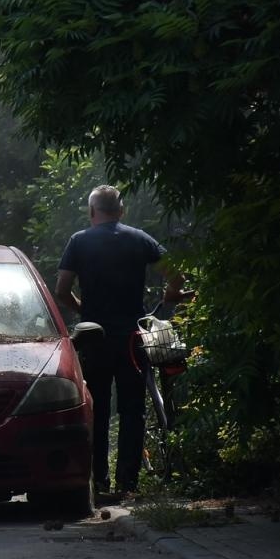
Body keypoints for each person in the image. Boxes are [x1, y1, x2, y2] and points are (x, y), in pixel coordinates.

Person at [56, 185, 186, 500]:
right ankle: (128, 483)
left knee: (96, 409)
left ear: (91, 212)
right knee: (132, 410)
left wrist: (84, 311)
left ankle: (98, 483)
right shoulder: (139, 239)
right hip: (132, 339)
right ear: (122, 211)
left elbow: (61, 290)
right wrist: (171, 296)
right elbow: (175, 276)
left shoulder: (79, 241)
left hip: (94, 339)